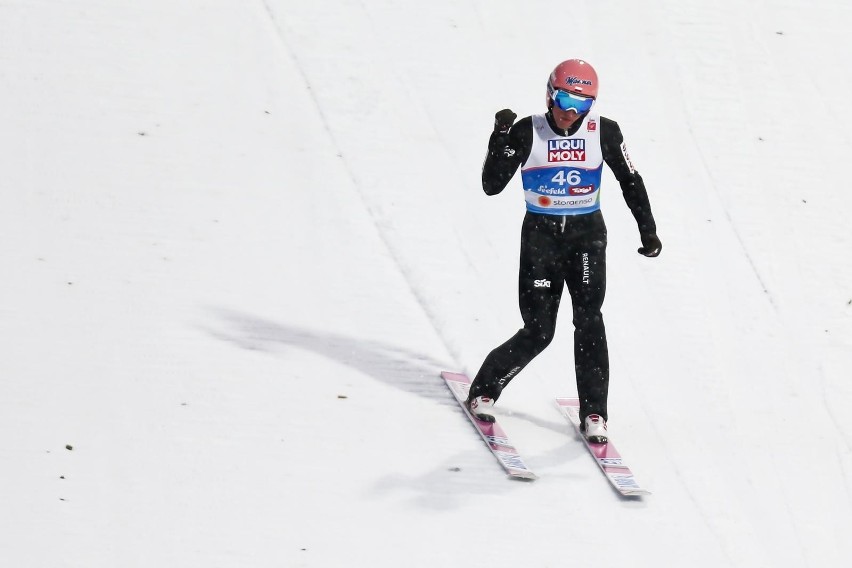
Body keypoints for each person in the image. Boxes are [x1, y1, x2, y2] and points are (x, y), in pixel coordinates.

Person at [464, 59, 661, 443]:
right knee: (539, 330)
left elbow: (631, 181)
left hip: (586, 239)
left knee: (590, 320)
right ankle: (485, 388)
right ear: (551, 94)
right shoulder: (529, 131)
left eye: (583, 103)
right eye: (566, 99)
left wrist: (648, 230)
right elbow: (491, 185)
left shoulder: (603, 131)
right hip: (542, 238)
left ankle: (595, 414)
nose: (572, 111)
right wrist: (499, 138)